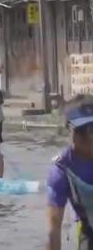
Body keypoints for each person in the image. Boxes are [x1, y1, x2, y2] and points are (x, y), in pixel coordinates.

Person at [47, 95, 93, 250]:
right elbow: (54, 232)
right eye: (82, 131)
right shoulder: (62, 170)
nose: (89, 137)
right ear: (70, 131)